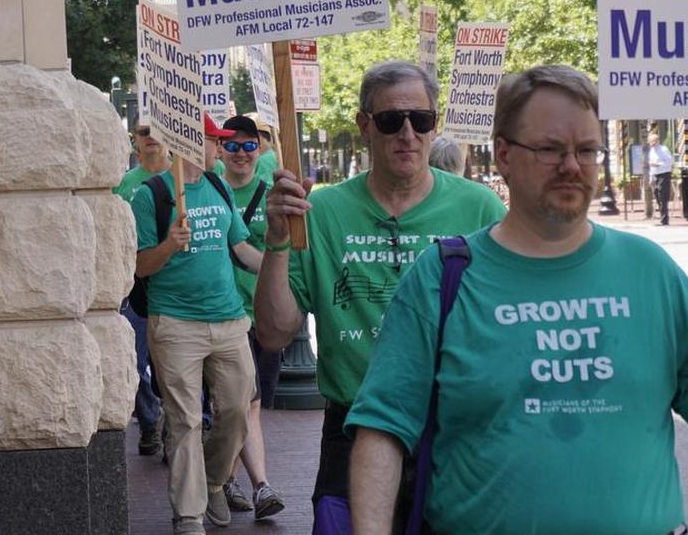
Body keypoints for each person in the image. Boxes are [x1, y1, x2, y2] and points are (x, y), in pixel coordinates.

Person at [346, 65, 688, 535]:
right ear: (503, 154)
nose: (571, 166)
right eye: (549, 149)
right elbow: (382, 430)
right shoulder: (444, 276)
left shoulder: (650, 270)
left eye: (587, 150)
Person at [253, 60, 507, 527]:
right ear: (365, 127)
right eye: (392, 121)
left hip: (453, 430)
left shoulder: (481, 209)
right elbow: (273, 334)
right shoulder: (320, 211)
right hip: (353, 426)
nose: (408, 134)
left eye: (422, 120)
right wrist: (277, 239)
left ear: (435, 125)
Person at [132, 114, 265, 535]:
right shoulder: (151, 195)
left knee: (236, 412)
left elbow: (240, 246)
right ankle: (188, 514)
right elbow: (138, 267)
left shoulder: (219, 185)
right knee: (185, 420)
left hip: (229, 322)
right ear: (191, 141)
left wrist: (285, 267)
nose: (223, 149)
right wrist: (170, 244)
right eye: (216, 141)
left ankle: (212, 480)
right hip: (175, 324)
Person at [217, 115, 287, 520]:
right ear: (221, 149)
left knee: (249, 406)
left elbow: (279, 254)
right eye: (232, 146)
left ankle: (222, 479)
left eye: (249, 146)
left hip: (265, 316)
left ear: (259, 150)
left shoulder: (270, 193)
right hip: (227, 317)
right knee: (247, 403)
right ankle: (260, 485)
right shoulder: (212, 191)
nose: (241, 153)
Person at [113, 123, 170, 456]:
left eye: (156, 129)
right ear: (134, 139)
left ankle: (182, 426)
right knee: (134, 360)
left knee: (174, 362)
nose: (150, 136)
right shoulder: (122, 185)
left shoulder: (181, 179)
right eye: (143, 130)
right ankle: (150, 422)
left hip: (174, 282)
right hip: (135, 286)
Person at [648, 132, 674, 225]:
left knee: (663, 196)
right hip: (655, 175)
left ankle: (665, 219)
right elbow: (651, 166)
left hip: (664, 174)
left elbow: (669, 161)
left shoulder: (663, 150)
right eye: (650, 142)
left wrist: (658, 164)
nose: (652, 144)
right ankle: (662, 217)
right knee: (657, 195)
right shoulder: (651, 151)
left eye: (654, 142)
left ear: (658, 141)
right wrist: (651, 178)